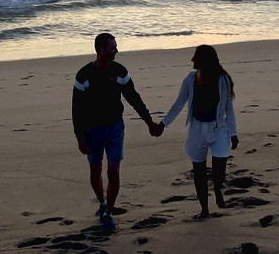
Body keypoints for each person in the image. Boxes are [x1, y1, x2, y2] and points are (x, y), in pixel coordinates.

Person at [72, 33, 161, 229]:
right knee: (96, 170)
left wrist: (149, 121)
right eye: (112, 48)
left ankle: (108, 212)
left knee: (113, 171)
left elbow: (133, 98)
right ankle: (102, 202)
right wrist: (80, 137)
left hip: (115, 128)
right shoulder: (84, 75)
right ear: (101, 50)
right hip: (92, 131)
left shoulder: (120, 72)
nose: (116, 51)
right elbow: (76, 110)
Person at [157, 44, 239, 220]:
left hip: (219, 130)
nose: (192, 60)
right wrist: (163, 124)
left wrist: (233, 133)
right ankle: (204, 209)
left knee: (219, 172)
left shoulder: (222, 80)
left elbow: (228, 108)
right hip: (197, 130)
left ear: (204, 60)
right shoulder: (190, 79)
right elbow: (179, 104)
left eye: (195, 57)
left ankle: (217, 188)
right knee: (199, 171)